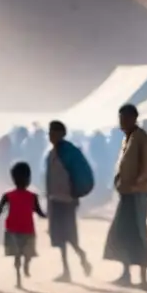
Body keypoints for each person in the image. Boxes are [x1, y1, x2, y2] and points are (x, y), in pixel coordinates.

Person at [103, 104, 147, 286]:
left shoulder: (141, 138)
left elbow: (146, 168)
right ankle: (126, 273)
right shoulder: (127, 139)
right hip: (126, 193)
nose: (121, 123)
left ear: (133, 118)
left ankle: (143, 277)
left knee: (139, 230)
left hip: (138, 193)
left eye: (124, 118)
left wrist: (135, 185)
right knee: (124, 230)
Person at [45, 120, 93, 282]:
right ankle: (66, 271)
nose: (50, 136)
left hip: (67, 201)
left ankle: (82, 257)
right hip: (55, 200)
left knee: (69, 236)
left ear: (61, 134)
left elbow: (79, 174)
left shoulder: (70, 152)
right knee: (59, 237)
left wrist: (75, 194)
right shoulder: (52, 153)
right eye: (49, 132)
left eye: (53, 132)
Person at [0, 162, 47, 288]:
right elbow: (40, 213)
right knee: (27, 253)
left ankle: (18, 278)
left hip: (12, 230)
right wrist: (49, 215)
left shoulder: (8, 196)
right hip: (27, 230)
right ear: (29, 178)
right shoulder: (32, 196)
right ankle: (25, 267)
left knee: (16, 256)